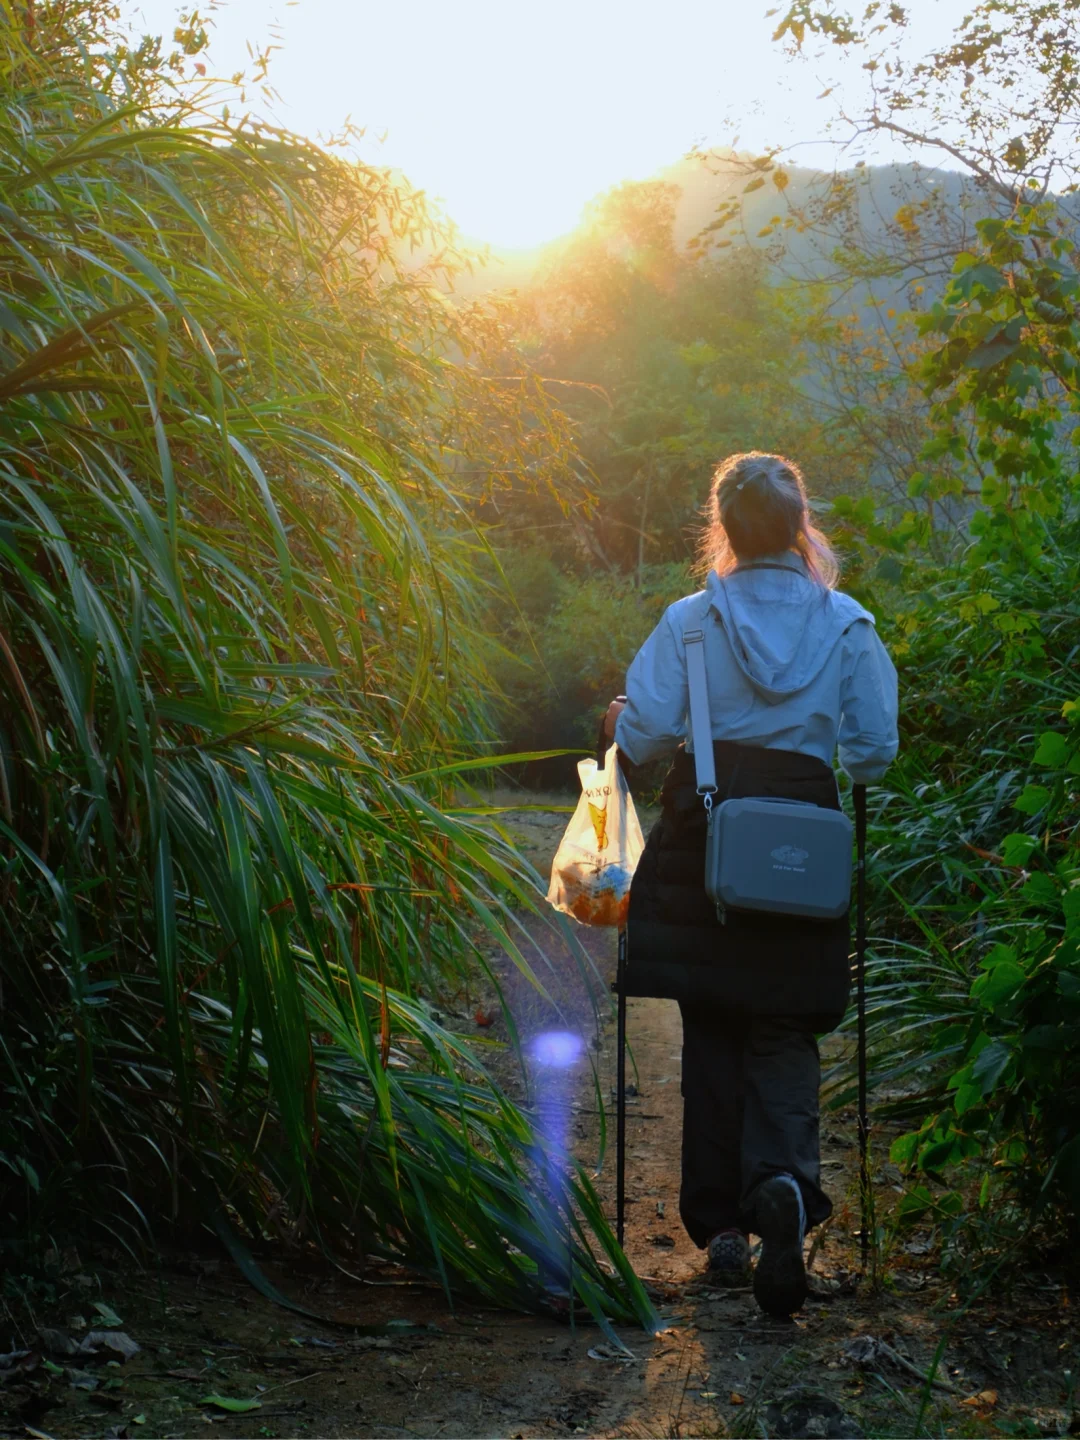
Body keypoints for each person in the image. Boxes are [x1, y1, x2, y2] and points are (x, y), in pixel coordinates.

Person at [602, 451, 898, 1318]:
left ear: (722, 531)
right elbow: (873, 752)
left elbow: (647, 737)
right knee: (786, 1023)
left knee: (716, 1022)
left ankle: (724, 1229)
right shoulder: (848, 624)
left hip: (706, 832)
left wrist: (622, 722)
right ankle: (785, 1194)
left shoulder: (688, 622)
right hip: (801, 841)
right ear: (802, 526)